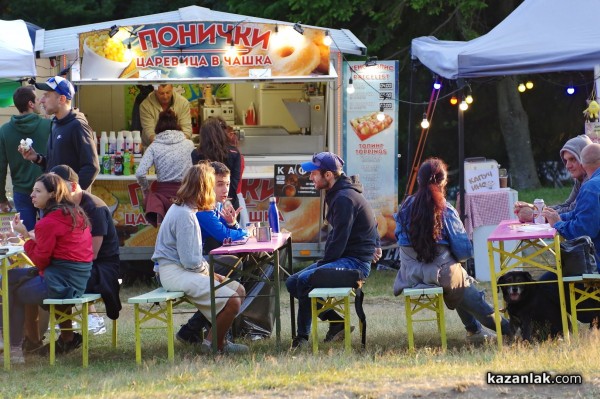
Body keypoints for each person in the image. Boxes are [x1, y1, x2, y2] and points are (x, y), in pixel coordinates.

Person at [394, 158, 511, 344]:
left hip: (410, 276)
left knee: (457, 276)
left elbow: (398, 238)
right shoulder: (445, 210)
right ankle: (510, 330)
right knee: (459, 280)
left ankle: (474, 330)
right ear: (443, 182)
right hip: (442, 275)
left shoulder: (403, 208)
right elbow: (464, 251)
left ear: (419, 181)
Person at [285, 152, 382, 349]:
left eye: (314, 173)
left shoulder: (344, 198)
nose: (310, 177)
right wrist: (376, 243)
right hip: (346, 258)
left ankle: (302, 338)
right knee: (291, 281)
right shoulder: (340, 193)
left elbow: (340, 238)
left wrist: (324, 263)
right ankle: (337, 323)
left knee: (304, 281)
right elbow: (370, 220)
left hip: (356, 264)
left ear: (328, 175)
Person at [152, 163, 248, 354]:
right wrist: (211, 275)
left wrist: (211, 274)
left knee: (239, 290)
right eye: (214, 185)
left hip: (180, 270)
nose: (217, 191)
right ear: (204, 188)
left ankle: (215, 342)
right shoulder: (186, 215)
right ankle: (214, 347)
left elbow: (192, 261)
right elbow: (191, 262)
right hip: (174, 272)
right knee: (232, 300)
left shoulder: (186, 210)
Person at [2, 173, 93, 363]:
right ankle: (14, 345)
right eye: (32, 191)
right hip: (78, 279)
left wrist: (25, 237)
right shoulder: (75, 213)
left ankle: (14, 348)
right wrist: (27, 234)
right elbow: (58, 248)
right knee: (9, 278)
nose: (31, 196)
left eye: (37, 191)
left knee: (11, 289)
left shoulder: (48, 222)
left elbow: (40, 261)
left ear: (52, 194)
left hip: (59, 284)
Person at [50, 164, 121, 333]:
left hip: (102, 267)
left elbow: (93, 253)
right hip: (82, 263)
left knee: (56, 278)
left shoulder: (94, 208)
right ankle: (65, 329)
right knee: (50, 276)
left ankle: (69, 329)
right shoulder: (64, 205)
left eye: (58, 188)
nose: (54, 193)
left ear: (73, 186)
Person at [18, 76, 99, 191]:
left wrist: (72, 195)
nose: (41, 100)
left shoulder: (78, 125)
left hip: (70, 205)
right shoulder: (56, 124)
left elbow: (92, 167)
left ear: (61, 99)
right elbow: (56, 163)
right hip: (55, 201)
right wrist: (37, 158)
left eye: (46, 95)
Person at [0, 86, 50, 229]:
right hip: (47, 191)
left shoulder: (4, 131)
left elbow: (1, 168)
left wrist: (2, 199)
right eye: (37, 98)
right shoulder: (49, 125)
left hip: (21, 192)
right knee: (49, 235)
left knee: (26, 237)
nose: (40, 101)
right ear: (31, 104)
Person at [135, 109, 194, 227]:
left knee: (166, 231)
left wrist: (146, 190)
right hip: (185, 195)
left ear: (158, 126)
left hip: (162, 197)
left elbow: (140, 172)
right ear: (177, 125)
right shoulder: (189, 144)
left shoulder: (154, 146)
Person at [514, 134, 592, 222]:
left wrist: (536, 216)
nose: (568, 166)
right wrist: (536, 209)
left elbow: (573, 211)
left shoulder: (591, 183)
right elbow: (567, 205)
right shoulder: (581, 179)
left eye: (573, 159)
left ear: (585, 158)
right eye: (566, 160)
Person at [191, 117, 242, 210]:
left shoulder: (196, 154)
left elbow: (199, 183)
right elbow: (235, 182)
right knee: (231, 224)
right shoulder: (234, 153)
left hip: (205, 204)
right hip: (230, 203)